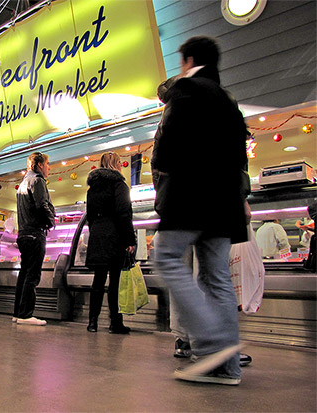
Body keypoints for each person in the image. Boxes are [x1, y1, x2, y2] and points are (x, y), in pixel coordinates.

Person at [151, 36, 250, 385]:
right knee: (217, 277)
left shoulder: (187, 91)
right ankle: (229, 368)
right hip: (225, 205)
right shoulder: (227, 99)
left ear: (189, 59)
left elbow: (165, 152)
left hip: (191, 199)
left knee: (165, 258)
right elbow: (241, 157)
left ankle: (211, 343)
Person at [85, 152, 137, 334]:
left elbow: (89, 216)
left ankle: (92, 323)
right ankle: (115, 323)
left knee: (97, 282)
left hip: (97, 236)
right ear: (116, 165)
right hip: (115, 236)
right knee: (115, 282)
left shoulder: (92, 189)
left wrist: (96, 231)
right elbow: (124, 213)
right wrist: (130, 239)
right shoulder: (119, 185)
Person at [14, 152, 55, 326]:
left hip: (23, 233)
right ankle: (26, 315)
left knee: (24, 274)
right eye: (47, 164)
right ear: (39, 165)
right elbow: (41, 205)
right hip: (35, 233)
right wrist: (51, 220)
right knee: (32, 275)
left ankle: (18, 313)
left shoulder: (23, 182)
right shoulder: (37, 181)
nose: (49, 167)